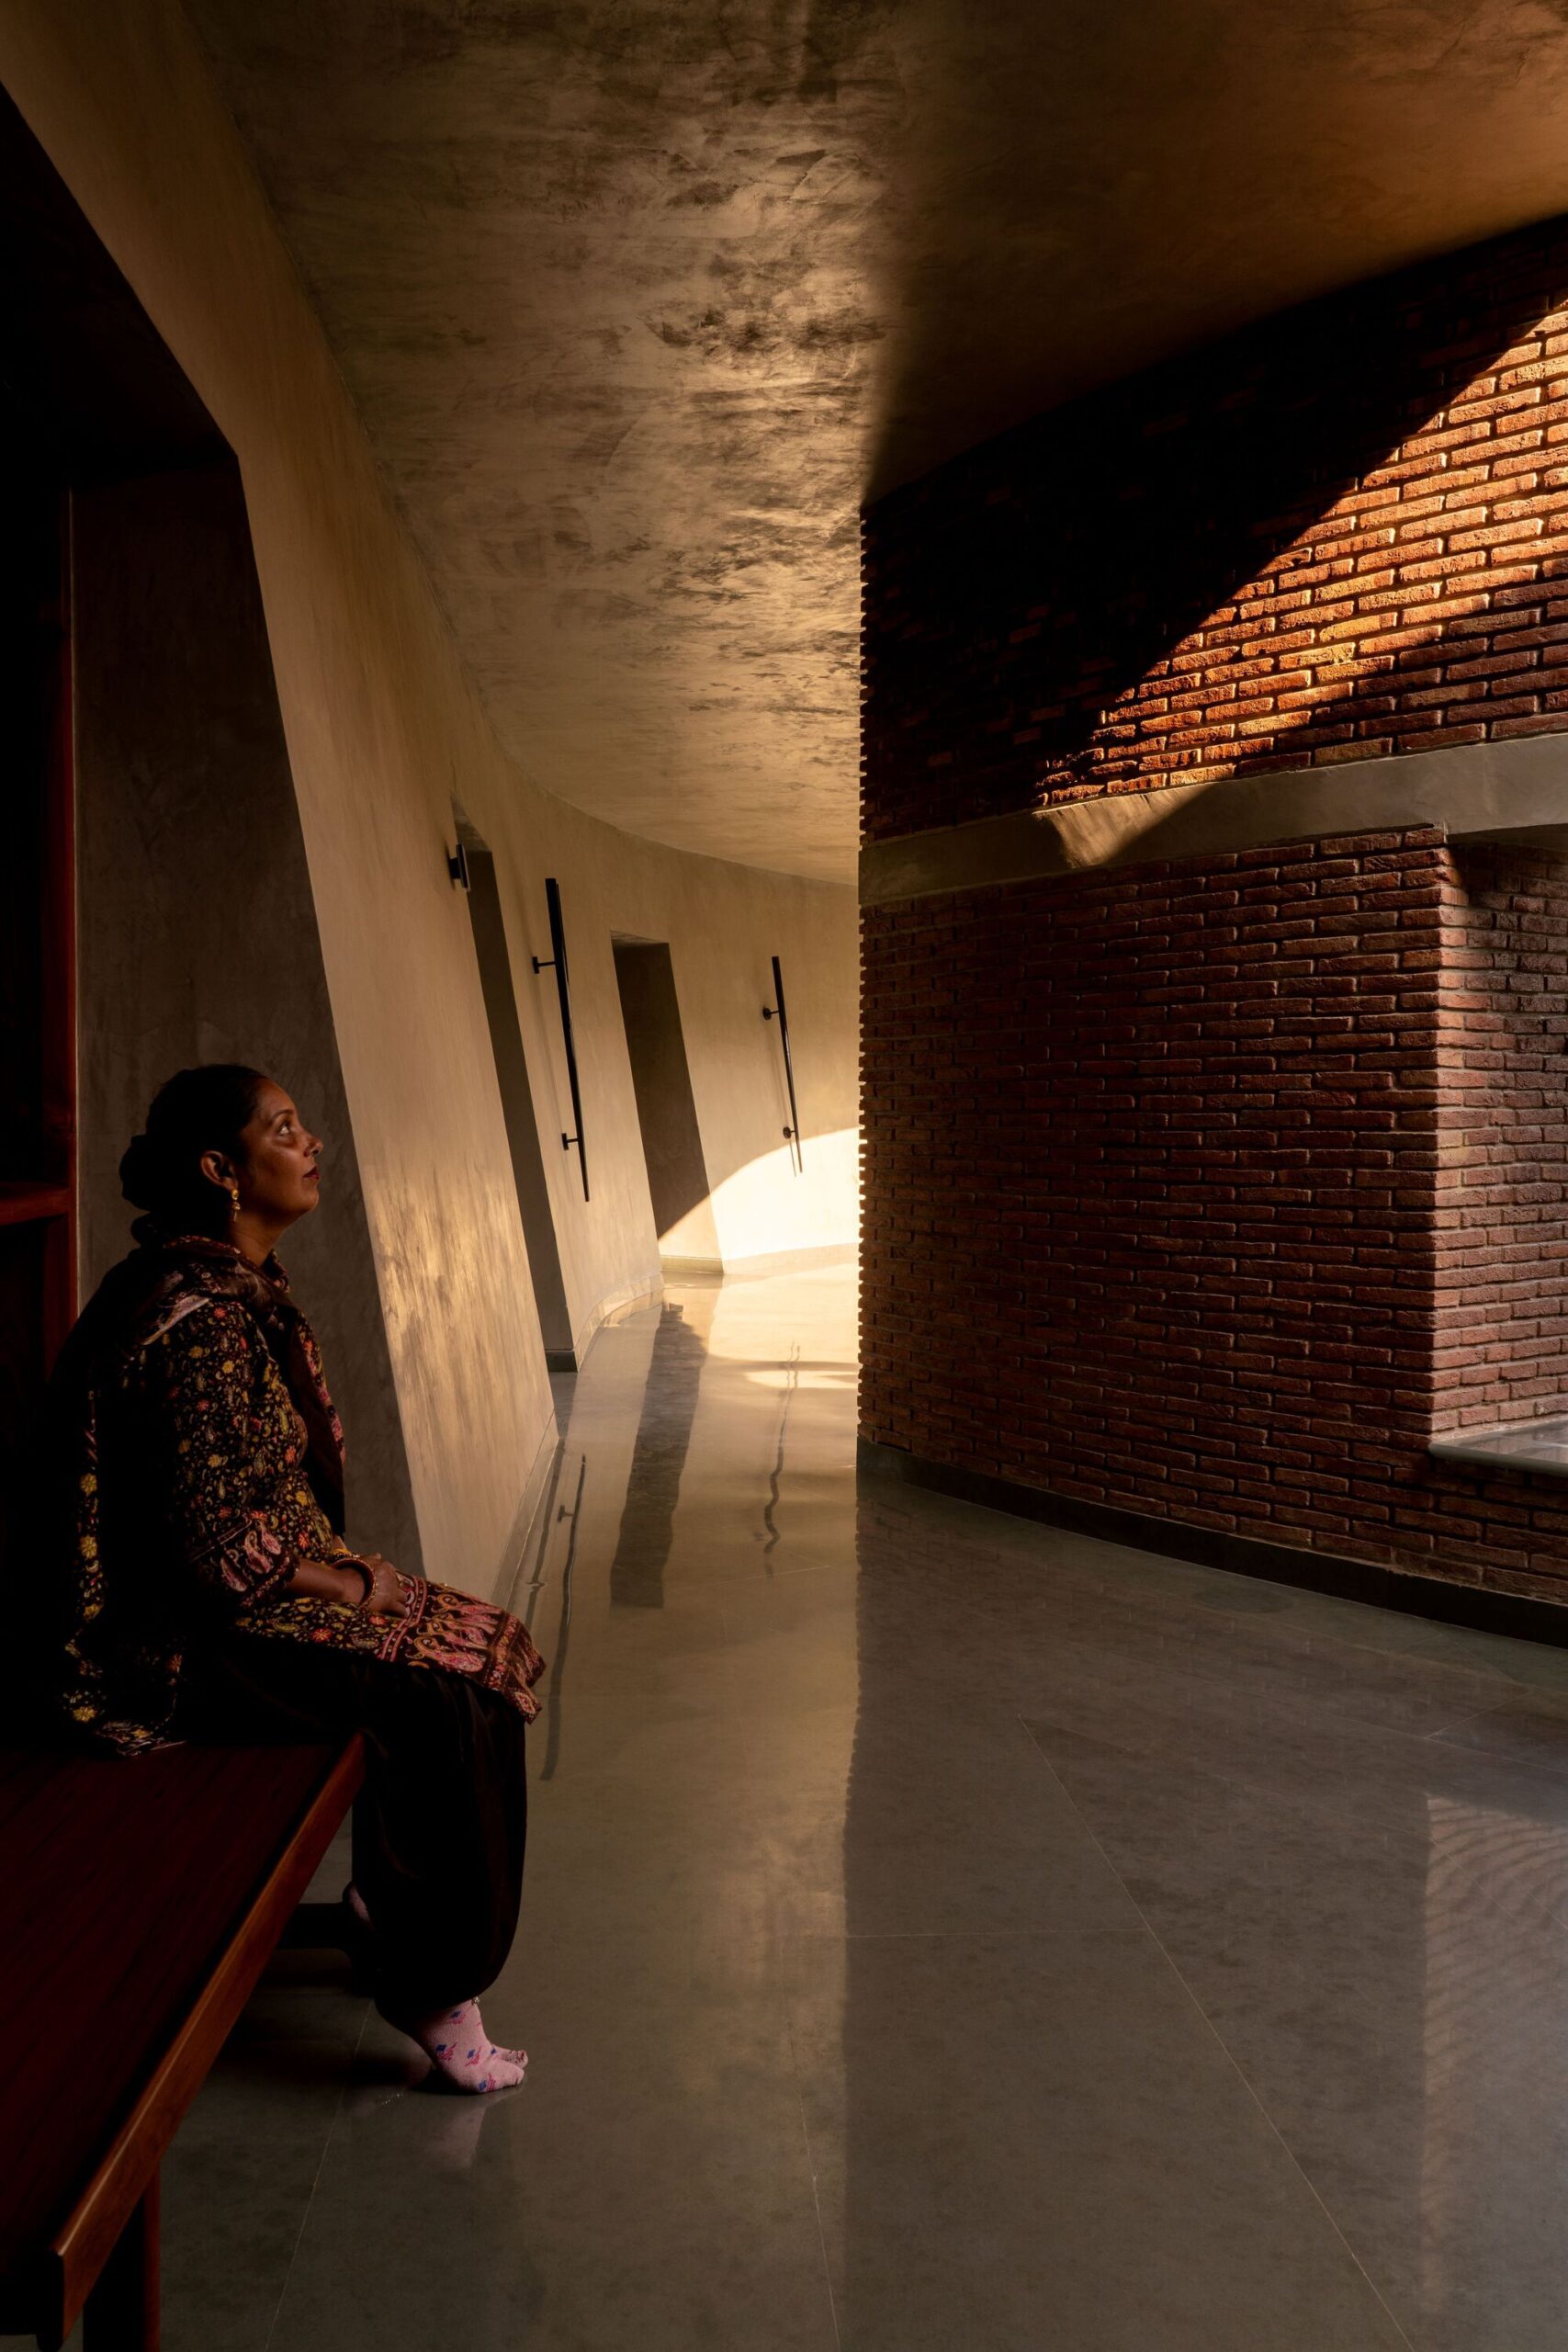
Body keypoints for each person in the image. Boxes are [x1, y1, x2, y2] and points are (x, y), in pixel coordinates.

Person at [46, 1064, 544, 2094]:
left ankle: (389, 1911)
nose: (311, 1143)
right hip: (169, 1648)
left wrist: (353, 1578)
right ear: (221, 1169)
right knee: (447, 1695)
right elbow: (212, 1553)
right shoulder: (193, 1317)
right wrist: (353, 1587)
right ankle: (433, 1983)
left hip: (241, 1606)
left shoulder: (229, 1287)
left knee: (483, 1639)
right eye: (283, 1129)